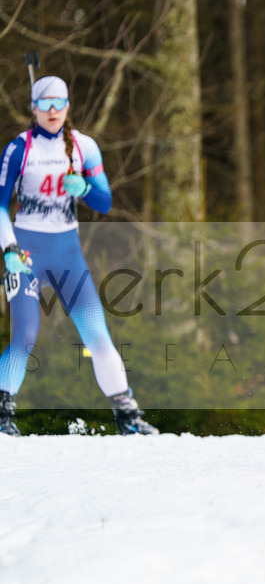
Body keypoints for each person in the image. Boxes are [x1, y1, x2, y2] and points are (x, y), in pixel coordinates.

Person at [0, 76, 157, 437]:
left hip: (67, 252)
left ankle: (127, 414)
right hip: (25, 253)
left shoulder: (84, 147)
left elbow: (105, 202)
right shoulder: (18, 149)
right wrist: (9, 248)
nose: (52, 111)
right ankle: (2, 415)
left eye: (59, 103)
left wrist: (85, 187)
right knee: (25, 333)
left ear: (68, 106)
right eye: (45, 103)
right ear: (33, 108)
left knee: (97, 334)